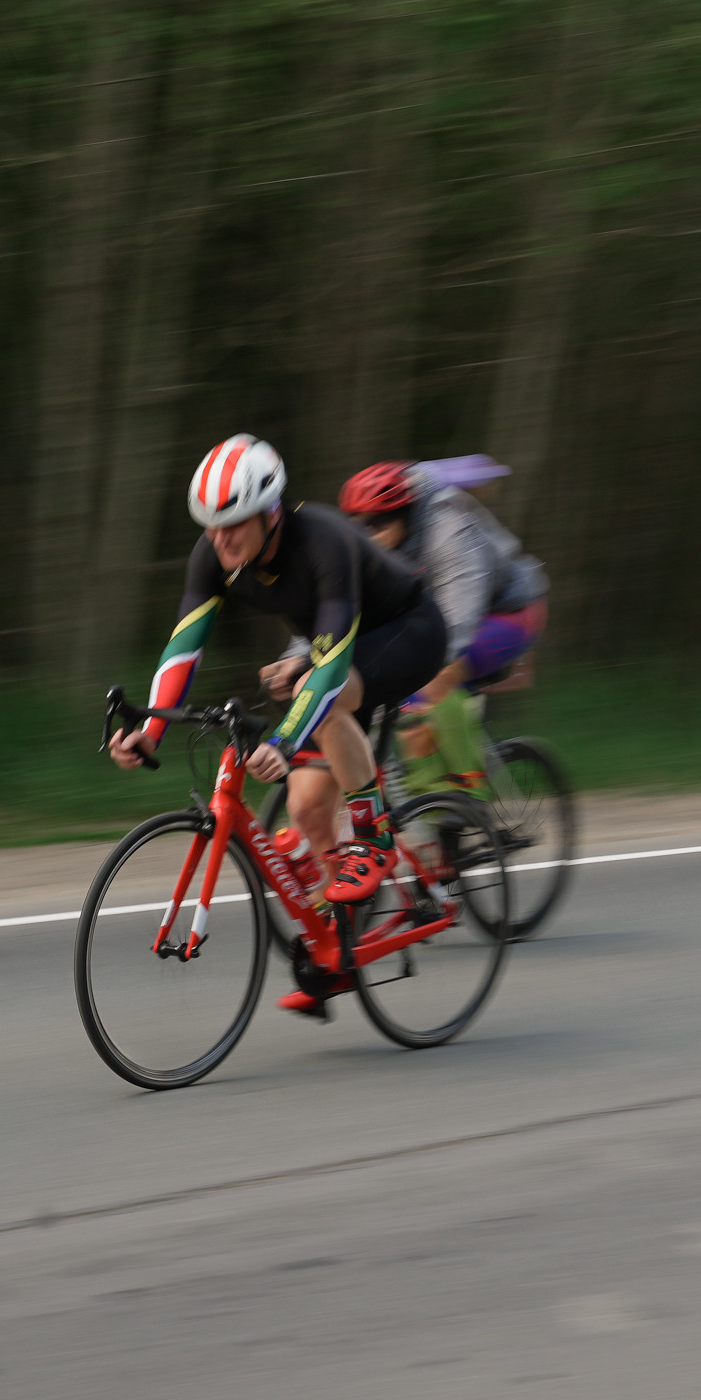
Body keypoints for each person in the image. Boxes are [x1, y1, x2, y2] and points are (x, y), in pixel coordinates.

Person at [107, 435, 448, 1018]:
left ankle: (375, 836)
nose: (219, 539)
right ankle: (336, 954)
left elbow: (332, 663)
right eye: (210, 527)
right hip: (338, 654)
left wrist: (285, 739)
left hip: (408, 633)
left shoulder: (324, 541)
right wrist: (151, 730)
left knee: (326, 700)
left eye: (232, 525)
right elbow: (184, 646)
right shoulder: (214, 554)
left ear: (270, 513)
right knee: (308, 809)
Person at [337, 459, 547, 789]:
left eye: (378, 522)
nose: (368, 534)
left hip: (508, 614)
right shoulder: (367, 548)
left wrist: (424, 668)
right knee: (405, 714)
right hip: (443, 618)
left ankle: (468, 795)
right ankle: (433, 808)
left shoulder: (449, 531)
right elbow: (336, 605)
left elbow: (460, 613)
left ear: (405, 515)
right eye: (358, 524)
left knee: (433, 684)